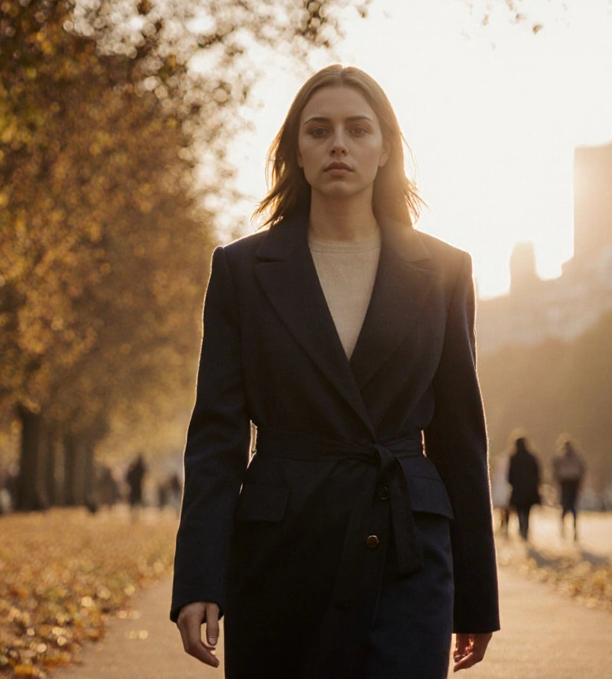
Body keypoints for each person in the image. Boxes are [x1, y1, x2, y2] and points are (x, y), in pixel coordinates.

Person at [171, 65, 498, 678]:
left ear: (385, 149)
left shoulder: (446, 270)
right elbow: (216, 434)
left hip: (408, 553)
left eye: (357, 129)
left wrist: (477, 595)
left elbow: (460, 436)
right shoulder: (242, 270)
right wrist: (198, 579)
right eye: (318, 131)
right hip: (281, 550)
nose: (338, 144)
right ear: (296, 150)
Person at [506, 435, 541, 542]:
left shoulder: (513, 457)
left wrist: (512, 483)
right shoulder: (532, 457)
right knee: (527, 510)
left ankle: (522, 528)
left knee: (519, 509)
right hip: (530, 489)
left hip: (518, 489)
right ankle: (525, 528)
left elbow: (510, 475)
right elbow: (537, 473)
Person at [552, 434, 586, 540]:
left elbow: (555, 469)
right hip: (574, 481)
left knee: (565, 506)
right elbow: (582, 468)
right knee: (573, 506)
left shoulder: (560, 455)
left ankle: (563, 527)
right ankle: (574, 528)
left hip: (565, 482)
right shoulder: (577, 456)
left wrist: (556, 480)